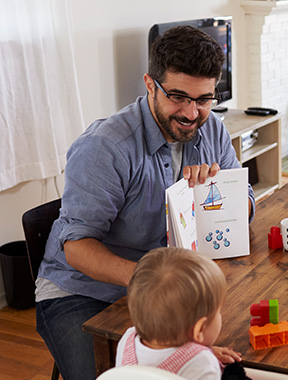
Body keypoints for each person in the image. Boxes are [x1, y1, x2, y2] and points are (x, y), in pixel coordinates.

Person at [35, 26, 255, 380]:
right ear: (150, 84)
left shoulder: (210, 127)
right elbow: (76, 247)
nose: (191, 113)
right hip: (83, 292)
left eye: (203, 99)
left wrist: (216, 196)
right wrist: (157, 287)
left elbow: (245, 202)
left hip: (165, 291)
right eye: (178, 96)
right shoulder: (106, 148)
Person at [116, 247, 239, 379]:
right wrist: (199, 356)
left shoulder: (128, 339)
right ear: (199, 329)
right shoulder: (203, 364)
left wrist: (194, 352)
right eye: (218, 311)